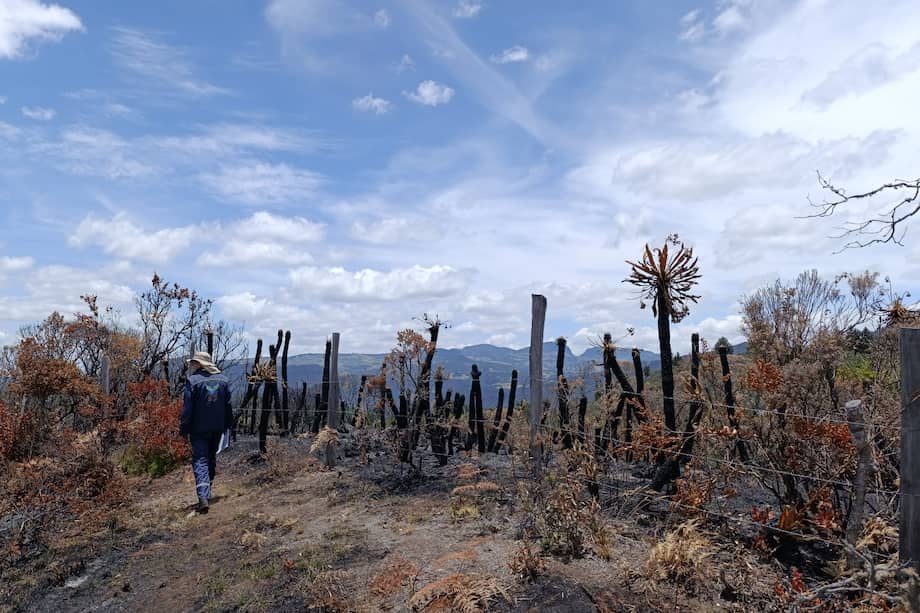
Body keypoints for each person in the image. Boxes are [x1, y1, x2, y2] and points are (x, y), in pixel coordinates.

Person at [179, 351, 233, 514]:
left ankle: (203, 496)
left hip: (198, 429)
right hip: (218, 427)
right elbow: (228, 406)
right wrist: (228, 426)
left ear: (200, 364)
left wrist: (183, 429)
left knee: (200, 459)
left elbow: (187, 409)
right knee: (210, 457)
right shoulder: (223, 381)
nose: (192, 365)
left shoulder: (192, 381)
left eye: (194, 363)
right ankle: (207, 490)